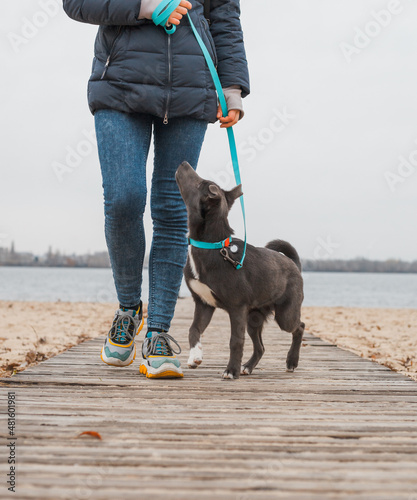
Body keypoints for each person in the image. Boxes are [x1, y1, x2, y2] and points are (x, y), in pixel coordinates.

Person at [63, 0, 250, 378]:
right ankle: (129, 309)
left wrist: (231, 86)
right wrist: (144, 6)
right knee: (123, 199)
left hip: (191, 90)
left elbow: (225, 15)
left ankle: (159, 332)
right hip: (118, 88)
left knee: (171, 211)